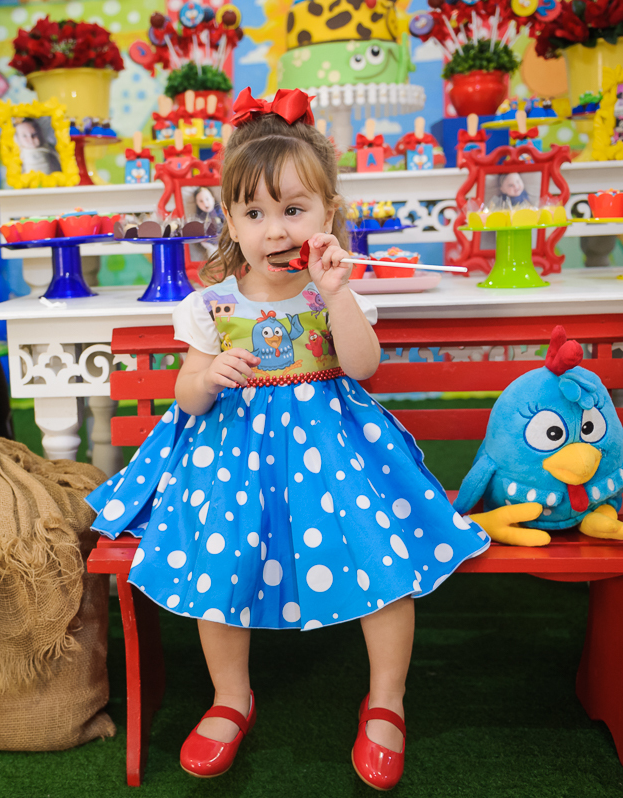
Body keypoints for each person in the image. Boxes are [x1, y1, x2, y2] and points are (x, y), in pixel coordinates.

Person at [84, 91, 490, 790]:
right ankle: (229, 697)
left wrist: (338, 294)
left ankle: (387, 699)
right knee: (216, 554)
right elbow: (184, 393)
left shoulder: (331, 288)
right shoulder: (209, 302)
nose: (276, 230)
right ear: (232, 223)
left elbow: (362, 367)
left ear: (327, 216)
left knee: (380, 550)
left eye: (293, 210)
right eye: (255, 213)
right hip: (230, 460)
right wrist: (208, 372)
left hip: (334, 456)